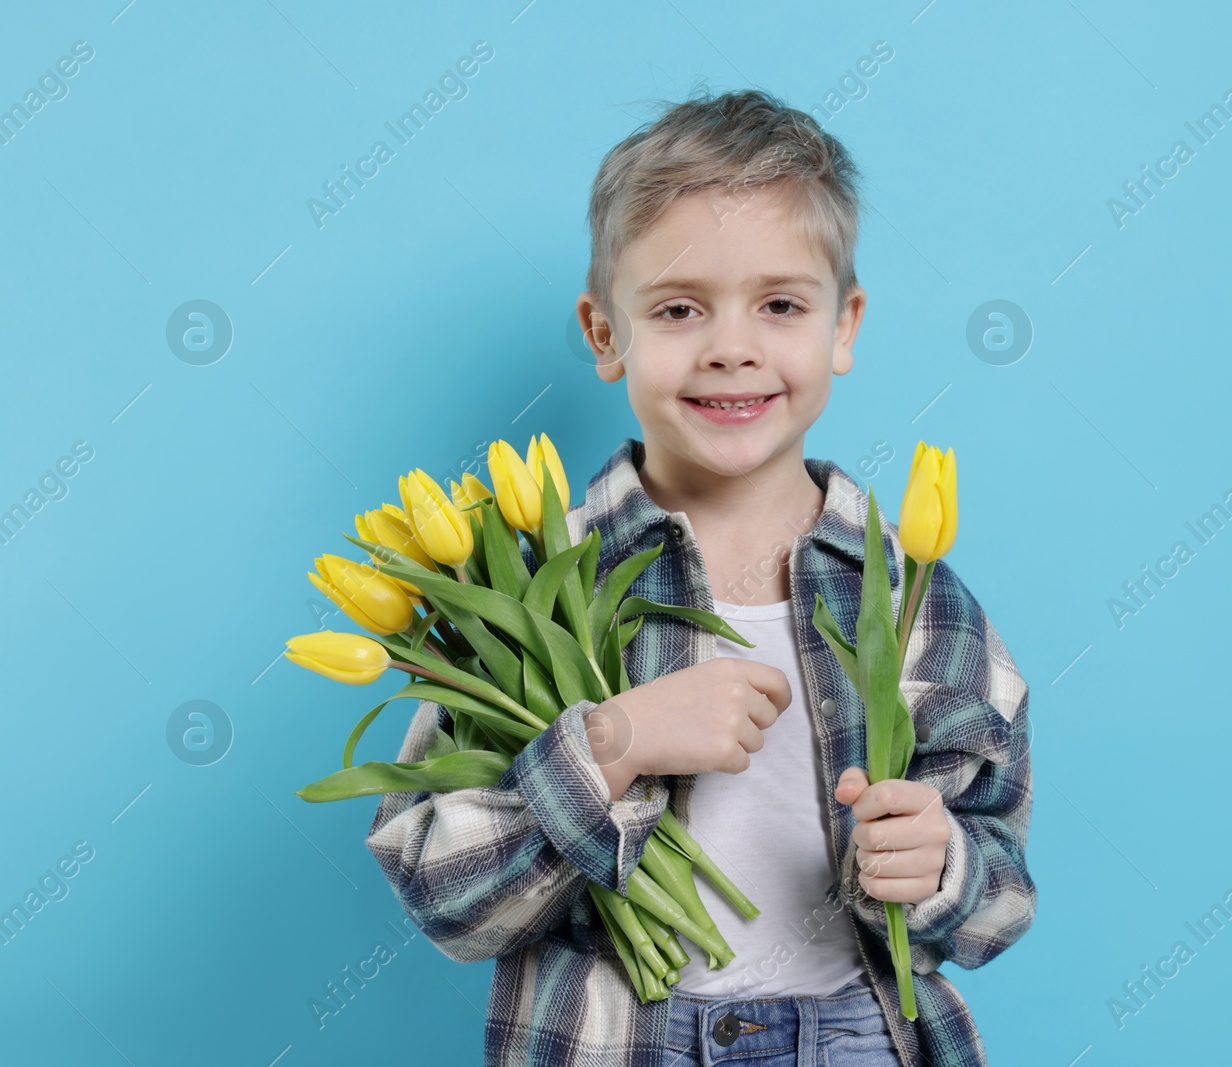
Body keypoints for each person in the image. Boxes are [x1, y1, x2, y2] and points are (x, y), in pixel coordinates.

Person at [365, 86, 1035, 1067]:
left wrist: (940, 865)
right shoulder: (522, 591)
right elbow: (445, 897)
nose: (732, 345)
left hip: (855, 1036)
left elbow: (999, 900)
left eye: (780, 304)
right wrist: (613, 743)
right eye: (679, 308)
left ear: (842, 327)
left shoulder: (916, 594)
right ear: (605, 336)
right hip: (614, 1041)